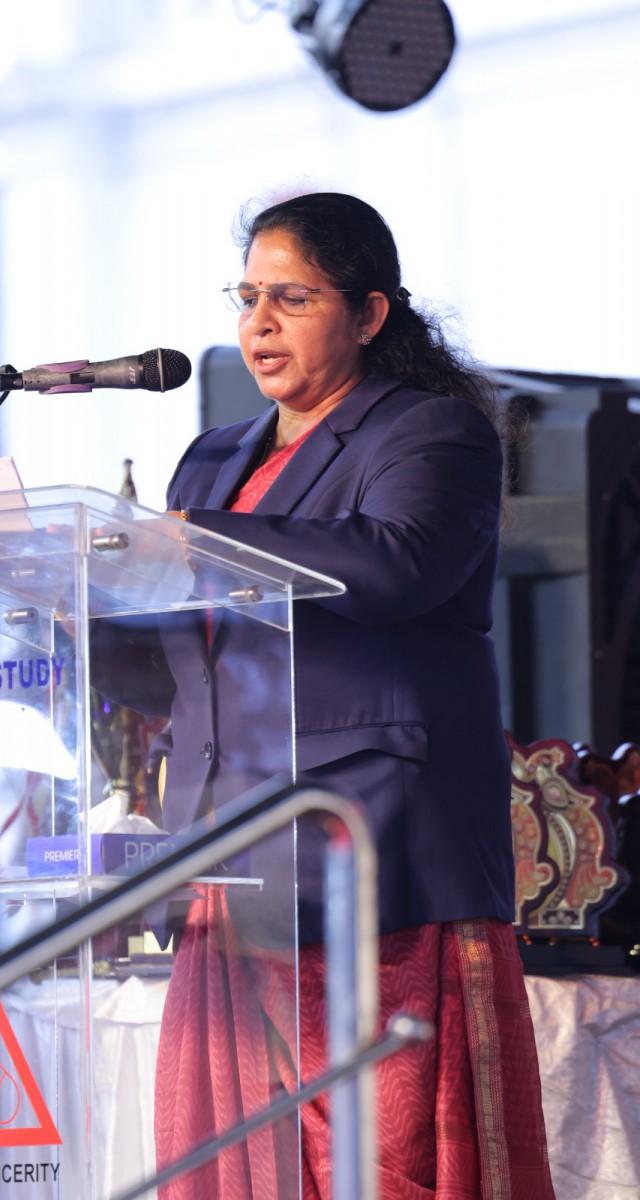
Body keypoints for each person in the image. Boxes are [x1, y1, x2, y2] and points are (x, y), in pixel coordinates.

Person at [95, 191, 555, 1199]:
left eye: (291, 298)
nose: (258, 323)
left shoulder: (432, 432)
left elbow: (397, 566)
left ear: (369, 313)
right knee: (231, 1161)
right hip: (226, 855)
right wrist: (62, 606)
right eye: (247, 297)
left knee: (384, 1160)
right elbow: (180, 659)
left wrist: (196, 540)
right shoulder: (213, 458)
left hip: (369, 845)